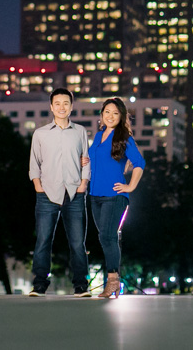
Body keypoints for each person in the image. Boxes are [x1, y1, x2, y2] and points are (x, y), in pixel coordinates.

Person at [28, 88, 91, 297]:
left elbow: (85, 159)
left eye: (66, 103)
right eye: (58, 103)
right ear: (51, 106)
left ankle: (81, 285)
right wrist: (38, 185)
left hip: (75, 193)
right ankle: (39, 284)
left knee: (77, 242)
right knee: (43, 240)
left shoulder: (80, 131)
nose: (62, 107)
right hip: (47, 193)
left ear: (71, 106)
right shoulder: (40, 133)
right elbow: (34, 163)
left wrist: (83, 184)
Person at [86, 97, 145, 298]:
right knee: (105, 238)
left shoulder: (124, 138)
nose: (110, 116)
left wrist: (130, 185)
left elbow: (139, 163)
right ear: (102, 114)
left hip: (114, 195)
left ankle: (112, 281)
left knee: (107, 236)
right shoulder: (99, 136)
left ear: (121, 117)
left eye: (115, 113)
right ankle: (112, 279)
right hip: (95, 196)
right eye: (107, 112)